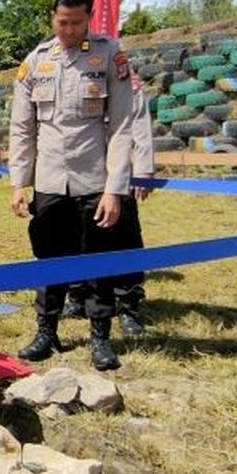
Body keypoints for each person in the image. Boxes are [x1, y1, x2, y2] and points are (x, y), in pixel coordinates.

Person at [9, 0, 134, 371]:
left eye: (76, 23)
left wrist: (114, 189)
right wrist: (19, 182)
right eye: (62, 22)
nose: (68, 30)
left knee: (97, 260)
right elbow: (22, 128)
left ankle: (100, 336)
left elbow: (122, 126)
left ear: (89, 18)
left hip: (93, 178)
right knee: (49, 259)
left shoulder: (109, 55)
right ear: (52, 17)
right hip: (49, 180)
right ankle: (46, 331)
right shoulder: (35, 62)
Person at [62, 70, 155, 335]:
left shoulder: (124, 77)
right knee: (76, 239)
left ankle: (128, 305)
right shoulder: (71, 72)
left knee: (125, 241)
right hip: (80, 173)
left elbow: (140, 125)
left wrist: (143, 169)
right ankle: (78, 296)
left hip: (118, 174)